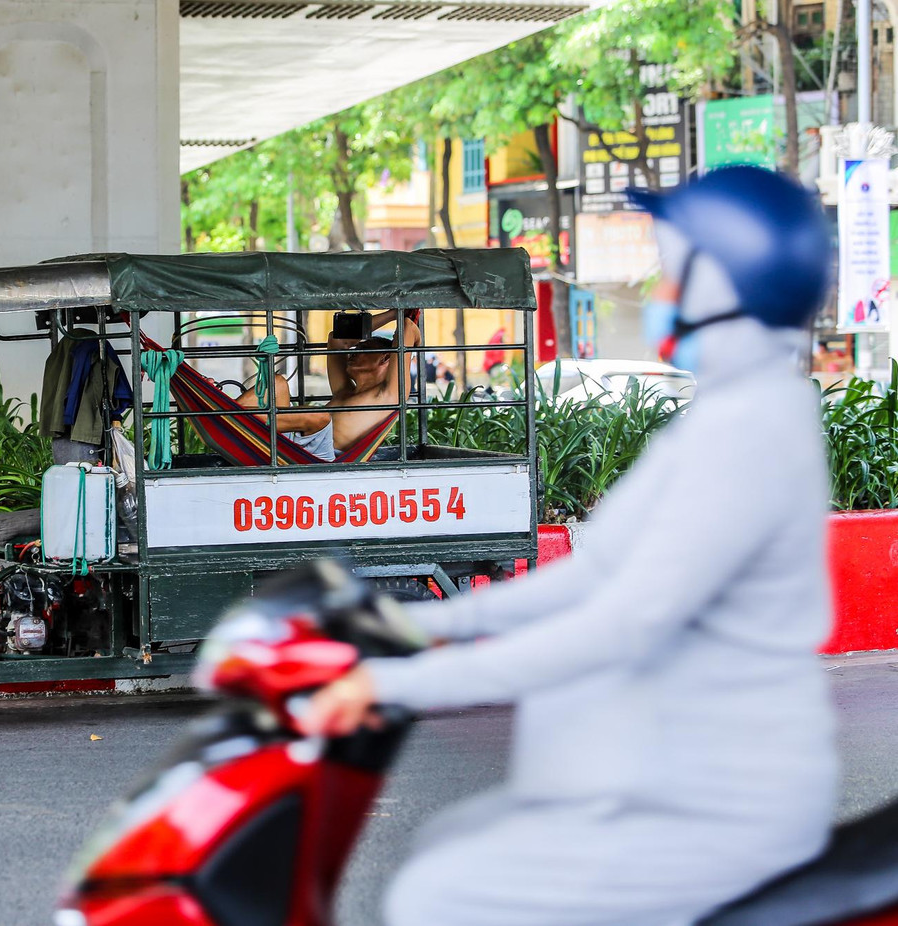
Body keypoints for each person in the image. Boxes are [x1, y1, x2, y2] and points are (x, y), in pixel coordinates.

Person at [300, 166, 837, 926]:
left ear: (728, 282)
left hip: (711, 803)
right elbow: (587, 578)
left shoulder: (750, 435)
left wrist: (396, 686)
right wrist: (420, 627)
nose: (660, 292)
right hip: (646, 789)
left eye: (676, 270)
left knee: (436, 894)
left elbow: (619, 622)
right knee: (444, 853)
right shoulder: (726, 416)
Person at [235, 308, 420, 461]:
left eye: (363, 349)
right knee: (277, 383)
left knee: (319, 416)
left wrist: (407, 322)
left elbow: (407, 327)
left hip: (318, 457)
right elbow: (336, 339)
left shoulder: (389, 395)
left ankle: (237, 420)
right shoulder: (344, 391)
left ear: (386, 357)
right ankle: (228, 417)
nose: (353, 351)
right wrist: (391, 314)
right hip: (292, 443)